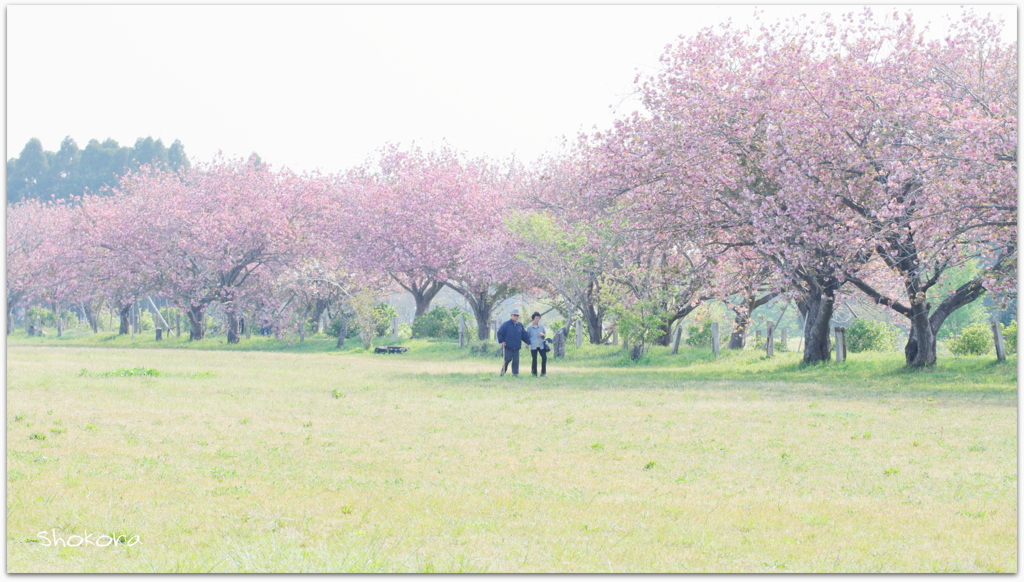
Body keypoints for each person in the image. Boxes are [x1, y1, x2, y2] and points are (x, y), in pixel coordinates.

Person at [496, 308, 530, 377]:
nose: (516, 317)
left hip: (516, 346)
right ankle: (502, 372)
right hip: (508, 346)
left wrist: (528, 342)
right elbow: (500, 333)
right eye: (515, 315)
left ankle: (515, 374)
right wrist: (502, 341)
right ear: (511, 315)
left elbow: (524, 335)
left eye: (517, 316)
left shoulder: (520, 325)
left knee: (516, 361)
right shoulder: (506, 324)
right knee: (507, 359)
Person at [525, 311, 548, 377]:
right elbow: (527, 336)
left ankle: (543, 373)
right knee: (534, 360)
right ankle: (534, 373)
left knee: (544, 358)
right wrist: (527, 343)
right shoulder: (529, 328)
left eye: (538, 318)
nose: (537, 320)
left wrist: (542, 334)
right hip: (533, 346)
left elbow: (544, 335)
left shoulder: (541, 326)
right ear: (533, 319)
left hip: (541, 345)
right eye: (536, 318)